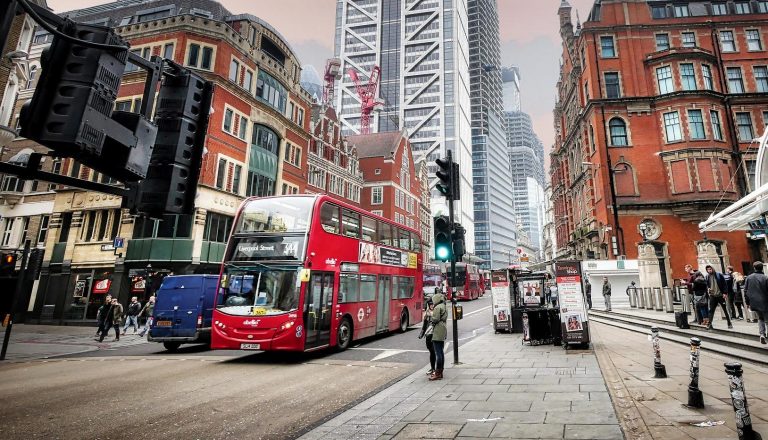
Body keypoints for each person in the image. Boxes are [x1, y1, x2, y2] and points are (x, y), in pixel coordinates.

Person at [744, 261, 768, 344]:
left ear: (754, 268)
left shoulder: (749, 277)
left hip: (754, 302)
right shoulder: (765, 278)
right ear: (762, 268)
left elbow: (745, 291)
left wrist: (747, 302)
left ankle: (762, 334)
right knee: (767, 319)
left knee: (760, 318)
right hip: (765, 302)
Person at [705, 265, 733, 330]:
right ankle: (709, 324)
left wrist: (725, 293)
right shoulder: (707, 277)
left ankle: (729, 323)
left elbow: (724, 284)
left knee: (725, 310)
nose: (709, 270)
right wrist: (708, 289)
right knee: (711, 310)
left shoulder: (718, 275)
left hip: (720, 295)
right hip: (713, 295)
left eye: (710, 269)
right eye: (708, 270)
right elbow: (707, 285)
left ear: (712, 269)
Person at [429, 292, 448, 381]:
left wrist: (431, 318)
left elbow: (435, 319)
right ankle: (440, 372)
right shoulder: (444, 306)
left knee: (438, 353)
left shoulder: (437, 307)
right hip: (443, 328)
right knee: (441, 351)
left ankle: (437, 373)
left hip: (438, 330)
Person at [418, 297, 436, 376]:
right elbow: (424, 325)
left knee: (434, 352)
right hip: (428, 335)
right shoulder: (427, 314)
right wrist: (421, 333)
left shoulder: (437, 313)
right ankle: (432, 368)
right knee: (431, 352)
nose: (432, 306)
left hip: (435, 334)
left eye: (433, 304)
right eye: (430, 304)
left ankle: (435, 369)